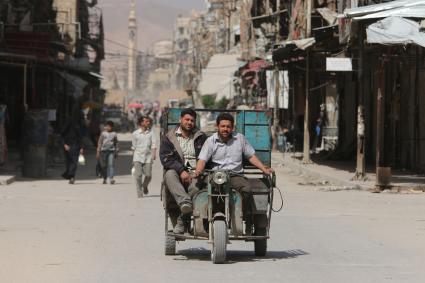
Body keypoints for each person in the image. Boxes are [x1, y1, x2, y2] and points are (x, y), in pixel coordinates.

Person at [194, 112, 274, 193]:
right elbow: (202, 159)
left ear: (232, 127)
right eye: (223, 126)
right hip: (217, 175)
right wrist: (198, 171)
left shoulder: (240, 138)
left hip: (235, 175)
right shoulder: (211, 141)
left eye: (228, 126)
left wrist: (264, 169)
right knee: (210, 191)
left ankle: (244, 206)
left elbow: (251, 156)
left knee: (246, 190)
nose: (225, 129)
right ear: (217, 126)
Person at [160, 108, 207, 234]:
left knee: (197, 186)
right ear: (180, 119)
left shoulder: (201, 137)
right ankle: (185, 203)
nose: (189, 122)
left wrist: (197, 171)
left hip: (196, 172)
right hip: (177, 172)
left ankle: (182, 217)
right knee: (169, 174)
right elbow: (166, 158)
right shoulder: (169, 137)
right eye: (187, 119)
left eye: (192, 120)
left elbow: (207, 156)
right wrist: (181, 171)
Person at [132, 116, 156, 198]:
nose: (148, 123)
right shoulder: (135, 134)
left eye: (149, 121)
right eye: (146, 121)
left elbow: (153, 144)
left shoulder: (151, 133)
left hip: (148, 157)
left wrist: (154, 154)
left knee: (148, 175)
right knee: (138, 175)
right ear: (141, 123)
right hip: (137, 157)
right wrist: (133, 159)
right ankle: (139, 191)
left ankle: (145, 185)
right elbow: (134, 147)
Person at [61, 119, 84, 184]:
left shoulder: (76, 130)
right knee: (68, 163)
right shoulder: (64, 131)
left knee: (74, 163)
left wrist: (81, 147)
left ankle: (71, 177)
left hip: (75, 147)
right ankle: (70, 175)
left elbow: (80, 138)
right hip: (67, 148)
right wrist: (64, 145)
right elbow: (61, 138)